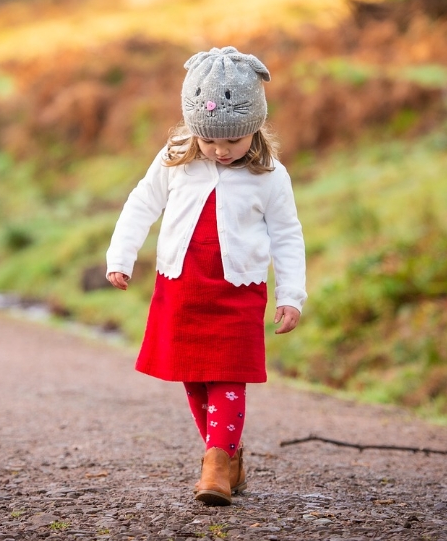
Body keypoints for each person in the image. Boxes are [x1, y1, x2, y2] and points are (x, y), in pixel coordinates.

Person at [106, 46, 307, 506]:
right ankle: (227, 455)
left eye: (231, 141)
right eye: (209, 140)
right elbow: (142, 204)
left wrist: (291, 294)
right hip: (183, 283)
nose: (219, 150)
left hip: (239, 289)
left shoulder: (270, 176)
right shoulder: (177, 156)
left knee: (228, 372)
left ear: (253, 128)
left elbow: (287, 235)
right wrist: (121, 256)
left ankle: (216, 461)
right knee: (194, 375)